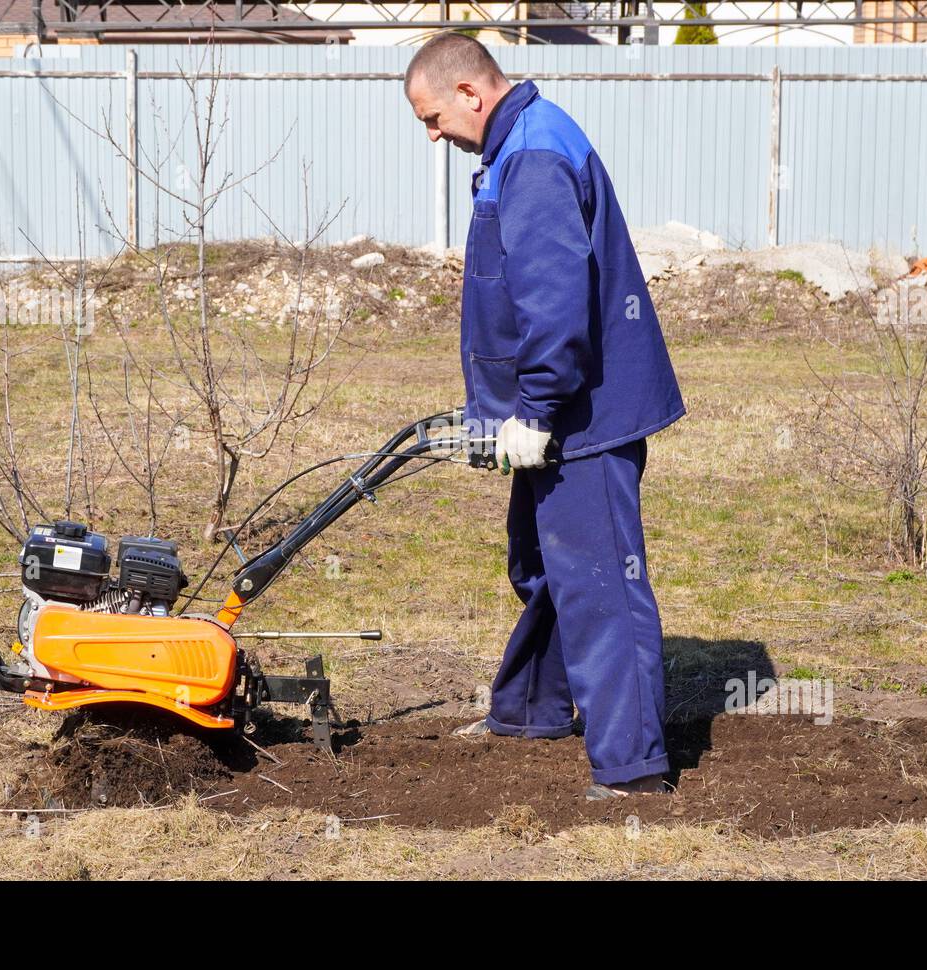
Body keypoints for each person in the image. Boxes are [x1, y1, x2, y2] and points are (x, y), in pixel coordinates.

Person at [404, 34, 686, 799]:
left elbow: (554, 300)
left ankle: (632, 769)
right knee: (541, 563)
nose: (432, 135)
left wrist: (534, 409)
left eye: (431, 117)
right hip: (555, 414)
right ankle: (532, 709)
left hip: (582, 419)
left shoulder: (530, 153)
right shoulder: (518, 144)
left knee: (600, 584)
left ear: (470, 92)